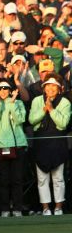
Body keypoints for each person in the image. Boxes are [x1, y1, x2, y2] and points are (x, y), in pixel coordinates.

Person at [28, 73, 71, 216]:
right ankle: (45, 208)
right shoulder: (36, 101)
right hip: (41, 141)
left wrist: (52, 110)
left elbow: (63, 124)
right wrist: (43, 110)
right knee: (42, 178)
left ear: (59, 88)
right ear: (44, 87)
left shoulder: (65, 102)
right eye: (48, 85)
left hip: (57, 141)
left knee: (58, 178)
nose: (51, 88)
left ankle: (58, 207)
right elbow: (32, 120)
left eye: (54, 86)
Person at [0, 79, 28, 217]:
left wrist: (11, 104)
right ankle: (5, 209)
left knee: (17, 179)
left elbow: (20, 120)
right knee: (3, 179)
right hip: (1, 145)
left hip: (18, 145)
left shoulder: (19, 103)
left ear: (10, 90)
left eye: (5, 88)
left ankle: (17, 208)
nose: (2, 91)